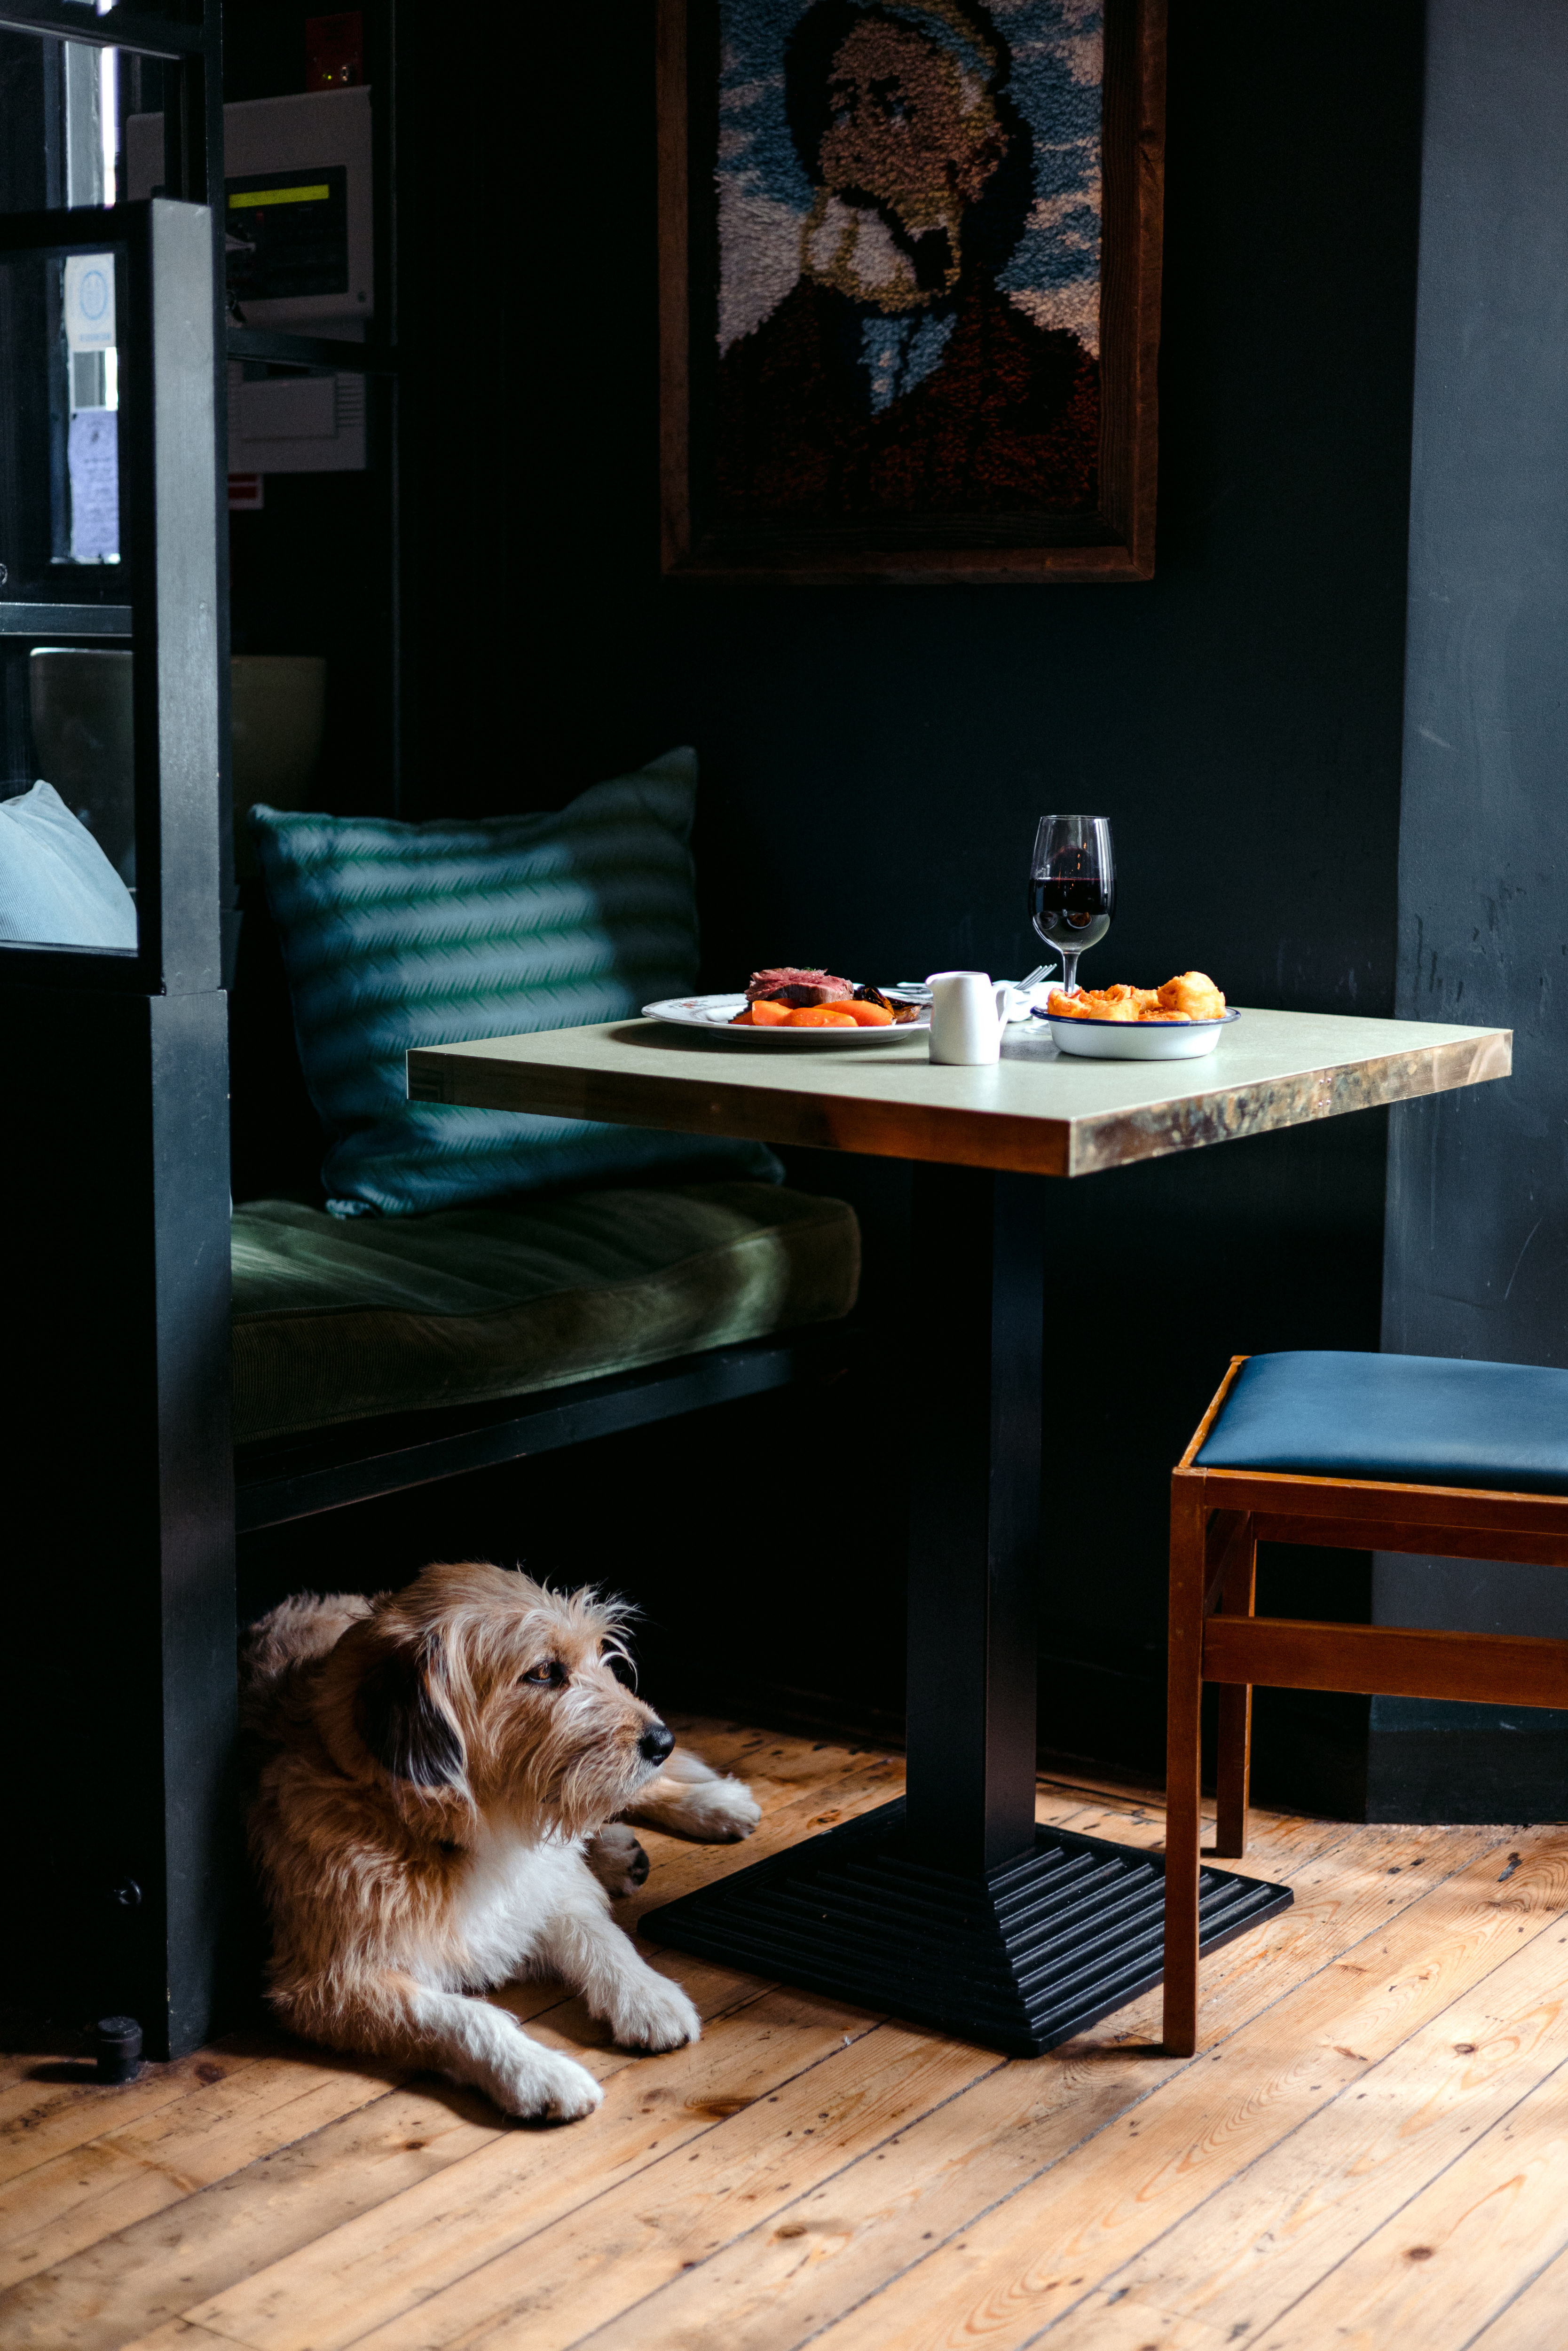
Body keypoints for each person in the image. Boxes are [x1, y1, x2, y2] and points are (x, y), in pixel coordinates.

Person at [717, 0, 1099, 521]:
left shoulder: (1056, 389)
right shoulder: (742, 389)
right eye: (842, 109)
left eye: (896, 107)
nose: (857, 143)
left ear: (978, 161)